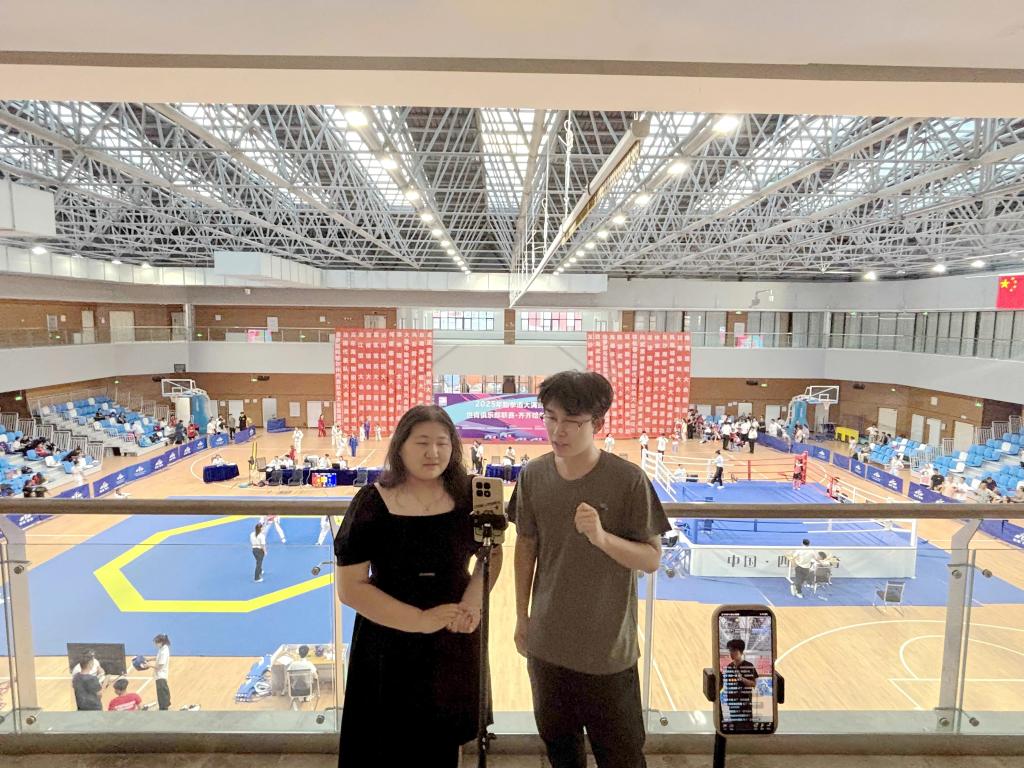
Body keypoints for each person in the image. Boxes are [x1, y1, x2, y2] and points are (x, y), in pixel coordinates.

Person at [509, 370, 669, 768]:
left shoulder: (628, 481)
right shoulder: (533, 476)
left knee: (622, 758)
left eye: (571, 421)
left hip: (607, 654)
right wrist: (522, 617)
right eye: (550, 417)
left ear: (597, 423)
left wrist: (601, 538)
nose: (557, 430)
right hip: (547, 649)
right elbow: (525, 546)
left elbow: (651, 559)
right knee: (561, 754)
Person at [334, 404, 500, 766]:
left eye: (442, 443)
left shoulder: (472, 495)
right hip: (387, 638)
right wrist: (420, 620)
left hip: (453, 634)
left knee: (443, 745)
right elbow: (350, 588)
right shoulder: (371, 503)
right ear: (401, 446)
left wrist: (472, 605)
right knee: (384, 742)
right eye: (422, 442)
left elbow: (491, 554)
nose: (433, 452)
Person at [721, 638, 758, 723]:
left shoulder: (749, 665)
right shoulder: (729, 666)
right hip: (733, 704)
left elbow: (753, 684)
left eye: (734, 650)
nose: (731, 653)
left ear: (740, 652)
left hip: (745, 706)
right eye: (730, 650)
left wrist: (741, 679)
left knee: (746, 727)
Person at [145, 634, 172, 711]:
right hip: (160, 675)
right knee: (163, 692)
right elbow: (158, 657)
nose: (155, 644)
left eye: (156, 643)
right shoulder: (163, 648)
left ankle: (164, 709)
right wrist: (149, 659)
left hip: (161, 676)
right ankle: (166, 705)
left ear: (161, 642)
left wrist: (148, 665)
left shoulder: (164, 652)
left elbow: (160, 666)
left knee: (162, 694)